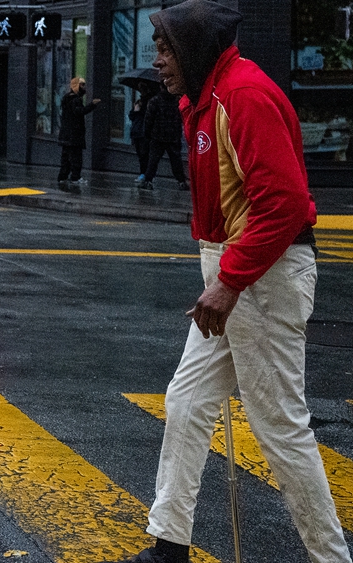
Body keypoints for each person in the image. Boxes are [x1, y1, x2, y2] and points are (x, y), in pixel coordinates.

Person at [108, 2, 352, 562]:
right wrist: (224, 279)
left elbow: (286, 204)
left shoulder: (241, 96)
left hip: (262, 278)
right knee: (187, 401)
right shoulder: (208, 96)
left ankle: (331, 557)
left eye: (166, 49)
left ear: (192, 49)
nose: (158, 61)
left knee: (280, 429)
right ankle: (169, 545)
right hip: (239, 279)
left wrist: (229, 281)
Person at [140, 83, 188, 191]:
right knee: (176, 160)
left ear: (161, 87)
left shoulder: (155, 101)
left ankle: (148, 181)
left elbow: (148, 119)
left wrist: (147, 134)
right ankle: (181, 181)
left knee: (153, 160)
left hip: (157, 136)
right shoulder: (176, 101)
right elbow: (181, 118)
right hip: (173, 136)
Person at [57, 77, 100, 187]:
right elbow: (80, 112)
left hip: (66, 134)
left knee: (66, 157)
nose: (84, 87)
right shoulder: (75, 100)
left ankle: (63, 176)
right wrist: (92, 105)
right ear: (76, 86)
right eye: (82, 85)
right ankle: (75, 177)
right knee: (76, 157)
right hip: (74, 135)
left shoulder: (66, 98)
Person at [129, 85, 156, 186]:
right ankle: (144, 173)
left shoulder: (150, 102)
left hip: (144, 132)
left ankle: (146, 174)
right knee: (141, 155)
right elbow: (132, 116)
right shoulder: (139, 102)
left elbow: (147, 116)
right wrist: (136, 110)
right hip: (137, 131)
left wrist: (139, 111)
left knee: (145, 155)